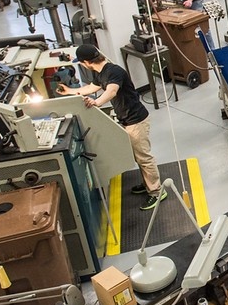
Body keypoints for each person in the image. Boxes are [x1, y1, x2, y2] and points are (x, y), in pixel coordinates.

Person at [56, 44, 164, 210]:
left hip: (136, 121)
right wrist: (69, 91)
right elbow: (91, 88)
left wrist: (96, 102)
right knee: (137, 155)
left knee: (143, 157)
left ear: (86, 62)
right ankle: (148, 183)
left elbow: (112, 91)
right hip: (127, 120)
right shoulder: (101, 73)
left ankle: (157, 191)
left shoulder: (113, 72)